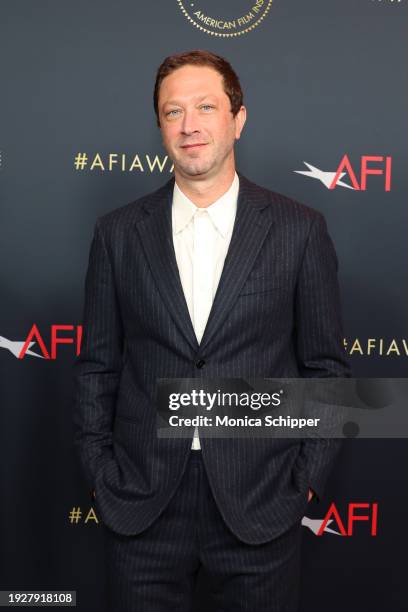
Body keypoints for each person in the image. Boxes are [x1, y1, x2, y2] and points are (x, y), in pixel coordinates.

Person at [73, 49, 351, 611]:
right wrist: (101, 475)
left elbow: (327, 369)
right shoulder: (118, 234)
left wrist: (301, 484)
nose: (189, 124)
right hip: (142, 503)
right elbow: (98, 366)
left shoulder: (299, 231)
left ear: (238, 119)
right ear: (160, 127)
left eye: (205, 106)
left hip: (259, 503)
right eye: (173, 112)